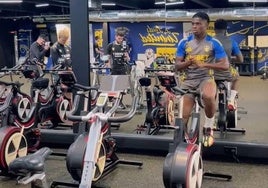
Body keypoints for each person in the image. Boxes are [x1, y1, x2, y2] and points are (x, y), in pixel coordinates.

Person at [175, 12, 229, 147]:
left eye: (198, 24)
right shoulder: (184, 42)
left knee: (209, 96)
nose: (194, 26)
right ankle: (183, 145)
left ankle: (209, 126)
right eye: (193, 24)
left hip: (206, 78)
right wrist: (187, 63)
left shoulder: (213, 42)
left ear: (206, 25)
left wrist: (203, 64)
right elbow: (177, 66)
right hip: (188, 81)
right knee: (182, 117)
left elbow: (225, 65)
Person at [213, 19, 244, 110]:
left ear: (214, 29)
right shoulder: (232, 42)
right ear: (226, 30)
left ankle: (211, 104)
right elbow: (240, 59)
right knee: (237, 77)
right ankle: (231, 99)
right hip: (227, 72)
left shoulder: (209, 41)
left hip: (211, 73)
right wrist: (230, 58)